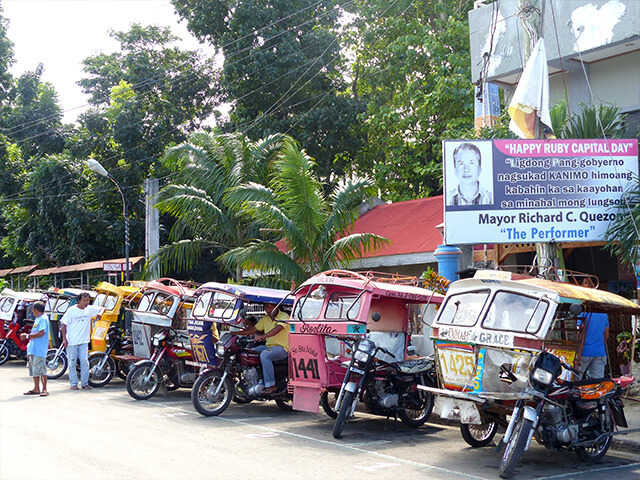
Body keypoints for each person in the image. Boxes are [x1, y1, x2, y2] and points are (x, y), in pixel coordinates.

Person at [235, 303, 289, 394]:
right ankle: (254, 378)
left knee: (265, 354)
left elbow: (278, 329)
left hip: (283, 348)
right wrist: (236, 333)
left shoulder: (284, 316)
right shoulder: (266, 318)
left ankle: (270, 385)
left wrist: (263, 336)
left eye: (270, 307)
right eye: (266, 307)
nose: (268, 310)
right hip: (269, 346)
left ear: (276, 307)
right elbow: (253, 330)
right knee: (248, 353)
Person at [59, 293, 103, 390]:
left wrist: (100, 313)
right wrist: (64, 339)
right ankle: (73, 384)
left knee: (85, 362)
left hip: (84, 341)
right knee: (72, 363)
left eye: (88, 300)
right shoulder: (71, 310)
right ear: (78, 300)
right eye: (84, 300)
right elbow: (63, 325)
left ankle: (85, 383)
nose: (86, 302)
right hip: (72, 342)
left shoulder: (89, 309)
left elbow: (102, 308)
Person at [20, 301, 50, 397]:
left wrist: (27, 336)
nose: (32, 311)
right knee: (34, 370)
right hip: (33, 348)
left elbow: (41, 333)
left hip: (39, 349)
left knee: (41, 370)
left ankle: (44, 389)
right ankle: (36, 388)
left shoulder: (43, 319)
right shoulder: (38, 319)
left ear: (36, 310)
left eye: (32, 309)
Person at [577, 312, 609, 379]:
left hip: (584, 351)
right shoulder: (604, 315)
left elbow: (579, 334)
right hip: (600, 352)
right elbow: (606, 335)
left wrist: (579, 351)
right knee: (598, 381)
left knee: (576, 378)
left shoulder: (582, 314)